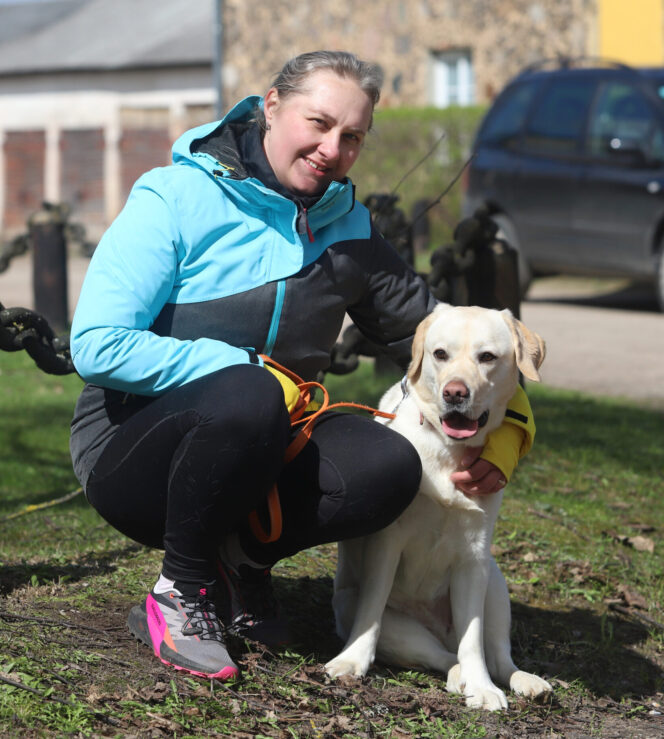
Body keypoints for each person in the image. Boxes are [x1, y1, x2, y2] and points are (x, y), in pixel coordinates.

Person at [68, 50, 535, 681]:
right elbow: (97, 343)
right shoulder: (174, 196)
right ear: (271, 106)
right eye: (317, 123)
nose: (330, 149)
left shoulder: (348, 229)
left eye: (352, 137)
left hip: (267, 448)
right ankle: (182, 589)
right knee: (248, 394)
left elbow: (462, 335)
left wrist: (506, 436)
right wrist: (246, 365)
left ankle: (242, 563)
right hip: (133, 451)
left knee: (392, 463)